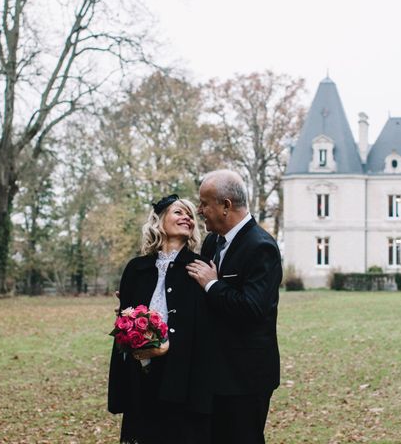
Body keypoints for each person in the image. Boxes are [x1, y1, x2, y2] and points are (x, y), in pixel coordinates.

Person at [108, 195, 213, 444]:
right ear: (159, 220)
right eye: (178, 212)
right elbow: (123, 326)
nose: (187, 217)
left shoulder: (200, 268)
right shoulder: (136, 269)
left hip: (183, 381)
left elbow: (206, 332)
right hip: (141, 378)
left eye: (190, 214)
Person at [187, 170, 282, 444]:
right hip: (212, 374)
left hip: (246, 378)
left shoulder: (261, 247)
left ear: (226, 205)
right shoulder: (211, 242)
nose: (200, 210)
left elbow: (252, 309)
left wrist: (213, 285)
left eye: (205, 203)